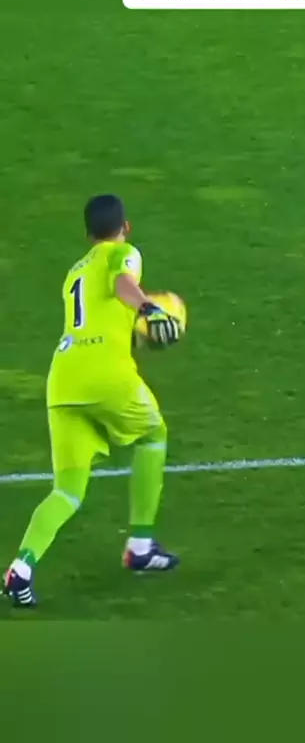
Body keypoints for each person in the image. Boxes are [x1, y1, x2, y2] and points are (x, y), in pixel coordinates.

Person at [3, 194, 181, 607]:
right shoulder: (123, 253)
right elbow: (122, 284)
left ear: (88, 234)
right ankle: (140, 546)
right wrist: (148, 308)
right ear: (126, 227)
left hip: (63, 381)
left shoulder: (74, 272)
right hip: (104, 373)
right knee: (153, 434)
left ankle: (21, 569)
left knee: (67, 491)